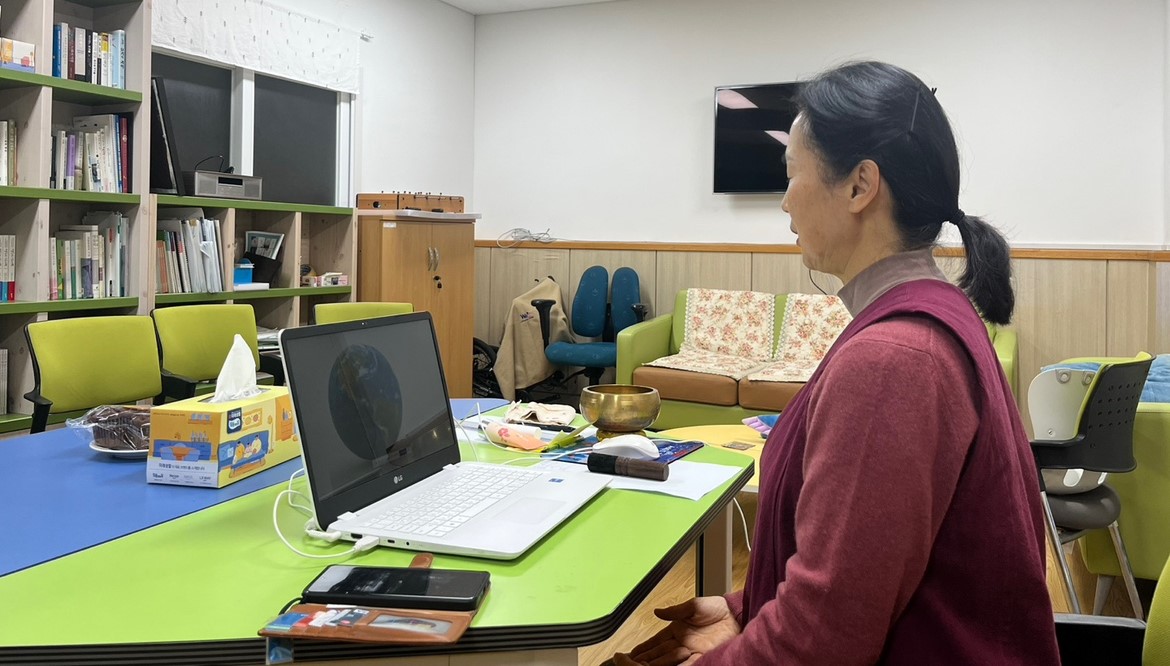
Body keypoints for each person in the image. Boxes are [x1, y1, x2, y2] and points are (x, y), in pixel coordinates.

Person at [612, 61, 1059, 665]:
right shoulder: (932, 315)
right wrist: (750, 606)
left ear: (859, 186)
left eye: (792, 174)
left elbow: (819, 645)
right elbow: (873, 564)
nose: (784, 202)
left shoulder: (893, 361)